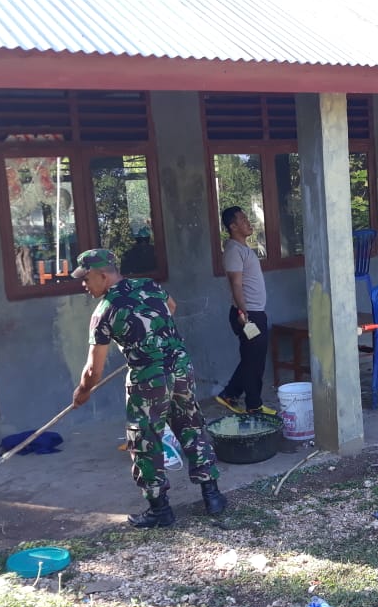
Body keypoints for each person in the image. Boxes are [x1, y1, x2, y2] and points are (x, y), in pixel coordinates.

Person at [71, 248, 227, 528]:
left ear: (103, 275)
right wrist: (154, 337)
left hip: (148, 378)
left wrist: (82, 392)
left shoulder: (104, 312)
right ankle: (212, 496)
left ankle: (159, 510)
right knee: (190, 425)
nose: (83, 285)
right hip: (180, 367)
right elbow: (173, 307)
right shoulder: (148, 285)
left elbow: (94, 370)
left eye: (86, 278)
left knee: (145, 440)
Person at [215, 206, 275, 415]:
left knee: (254, 360)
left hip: (255, 312)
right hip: (247, 314)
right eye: (242, 220)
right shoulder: (233, 250)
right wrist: (243, 313)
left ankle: (236, 396)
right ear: (232, 226)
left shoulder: (243, 249)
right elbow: (236, 284)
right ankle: (251, 404)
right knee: (253, 362)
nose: (248, 222)